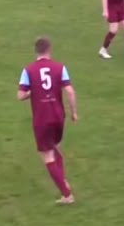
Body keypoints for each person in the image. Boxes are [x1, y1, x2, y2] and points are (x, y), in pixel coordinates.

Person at [17, 37, 78, 205]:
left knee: (47, 155)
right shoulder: (60, 67)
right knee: (54, 146)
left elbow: (20, 95)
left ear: (36, 51)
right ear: (49, 50)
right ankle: (63, 180)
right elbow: (70, 92)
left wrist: (33, 93)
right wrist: (74, 113)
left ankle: (67, 195)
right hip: (59, 116)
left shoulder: (28, 70)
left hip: (42, 118)